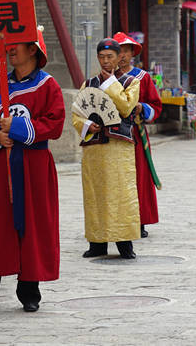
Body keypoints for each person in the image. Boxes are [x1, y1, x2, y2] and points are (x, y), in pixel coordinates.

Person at [0, 27, 65, 313]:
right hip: (1, 166)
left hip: (34, 166)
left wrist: (18, 128)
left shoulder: (48, 86)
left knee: (34, 226)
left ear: (33, 50)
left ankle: (29, 289)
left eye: (17, 44)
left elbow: (55, 124)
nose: (10, 49)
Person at [72, 38, 141, 260]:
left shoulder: (130, 82)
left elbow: (126, 107)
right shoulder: (88, 83)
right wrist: (86, 125)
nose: (106, 61)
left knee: (121, 193)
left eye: (110, 56)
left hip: (118, 147)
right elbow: (77, 113)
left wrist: (111, 82)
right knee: (94, 194)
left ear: (119, 57)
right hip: (94, 147)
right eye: (101, 57)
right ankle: (97, 242)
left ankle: (124, 243)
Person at [114, 32, 161, 238]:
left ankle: (139, 220)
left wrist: (142, 107)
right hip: (112, 135)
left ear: (132, 53)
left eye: (126, 51)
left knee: (138, 176)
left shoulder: (142, 77)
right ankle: (115, 220)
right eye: (118, 52)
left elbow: (155, 105)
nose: (122, 56)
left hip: (135, 134)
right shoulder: (107, 79)